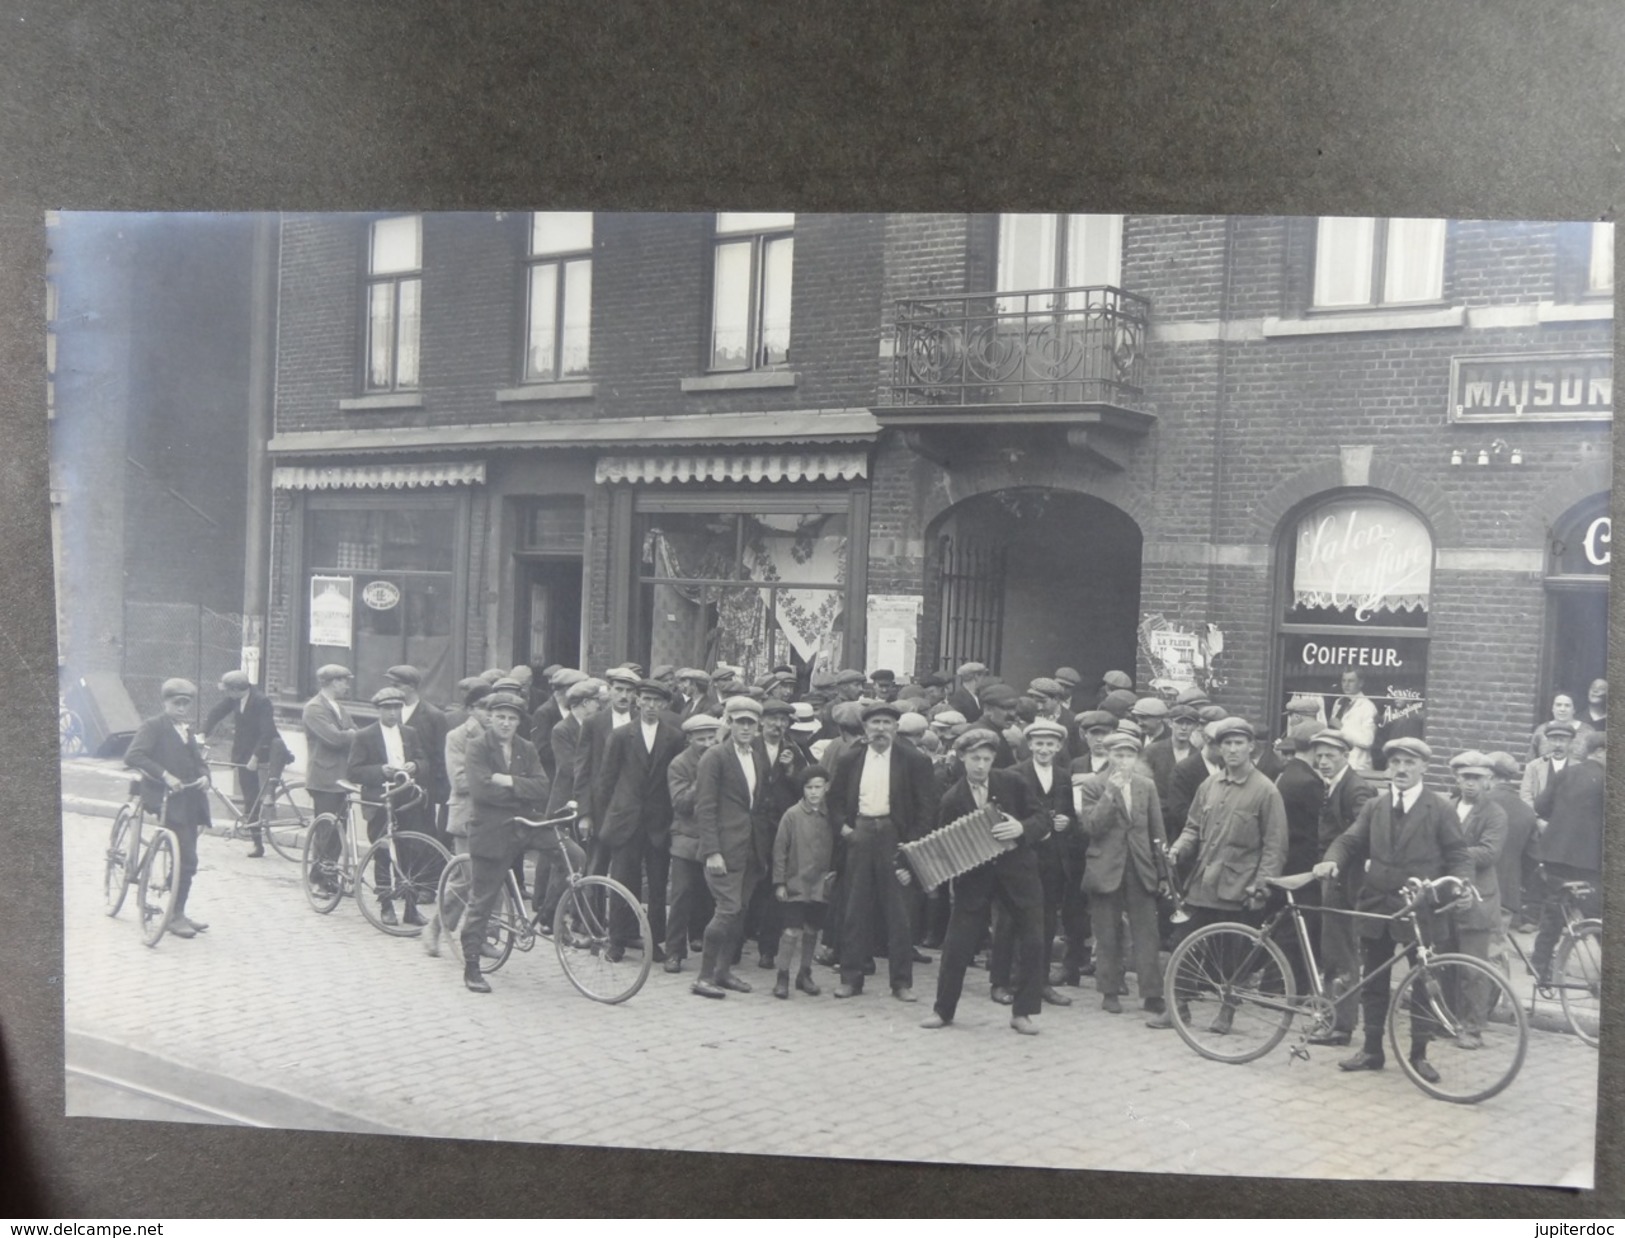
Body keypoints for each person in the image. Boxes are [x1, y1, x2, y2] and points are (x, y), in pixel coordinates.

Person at [1314, 737, 1471, 1081]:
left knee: (1424, 981)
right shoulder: (1376, 806)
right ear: (1388, 767)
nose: (1401, 769)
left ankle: (1419, 1055)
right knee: (1374, 978)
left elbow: (1459, 856)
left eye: (1409, 763)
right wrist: (1332, 861)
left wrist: (1460, 884)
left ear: (1424, 767)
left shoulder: (1440, 808)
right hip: (1378, 904)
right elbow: (1350, 839)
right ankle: (1372, 1050)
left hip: (1420, 908)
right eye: (1396, 762)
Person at [1149, 717, 1287, 1030]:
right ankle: (1178, 1007)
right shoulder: (1209, 785)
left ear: (1252, 747)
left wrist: (1261, 886)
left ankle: (1227, 1010)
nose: (1233, 749)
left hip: (1239, 888)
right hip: (1202, 883)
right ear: (1219, 748)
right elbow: (1193, 826)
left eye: (1239, 743)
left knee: (1231, 954)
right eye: (1227, 744)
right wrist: (1179, 849)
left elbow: (1275, 846)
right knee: (1182, 942)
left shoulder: (1265, 791)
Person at [919, 729, 1048, 1034]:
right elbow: (944, 844)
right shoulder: (952, 799)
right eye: (974, 758)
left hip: (1018, 873)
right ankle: (943, 1010)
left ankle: (1022, 1013)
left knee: (1033, 940)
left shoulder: (1012, 783)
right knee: (956, 945)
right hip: (974, 879)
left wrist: (1021, 828)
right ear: (962, 758)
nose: (980, 765)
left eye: (987, 759)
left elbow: (1041, 818)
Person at [828, 700, 936, 1001]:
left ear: (896, 728)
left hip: (895, 837)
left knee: (899, 912)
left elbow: (927, 807)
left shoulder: (913, 760)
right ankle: (851, 978)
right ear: (864, 728)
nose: (880, 729)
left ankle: (901, 983)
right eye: (875, 723)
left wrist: (912, 841)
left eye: (887, 724)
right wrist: (844, 830)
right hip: (860, 834)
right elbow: (834, 801)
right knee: (855, 909)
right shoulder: (851, 758)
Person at [460, 690, 552, 993]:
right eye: (500, 716)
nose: (505, 723)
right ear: (490, 718)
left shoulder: (526, 747)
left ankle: (551, 912)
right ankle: (472, 965)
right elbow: (482, 791)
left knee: (573, 855)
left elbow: (542, 787)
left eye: (512, 719)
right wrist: (519, 791)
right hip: (492, 829)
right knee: (483, 899)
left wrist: (508, 780)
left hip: (525, 823)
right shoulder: (477, 747)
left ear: (518, 723)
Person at [1077, 730, 1169, 1016]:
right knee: (1107, 933)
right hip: (1105, 867)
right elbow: (1092, 827)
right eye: (1118, 755)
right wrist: (1110, 794)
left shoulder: (1146, 786)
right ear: (1108, 756)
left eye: (1129, 755)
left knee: (1147, 934)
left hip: (1140, 866)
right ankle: (1109, 990)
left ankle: (1152, 993)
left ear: (1136, 758)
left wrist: (1164, 873)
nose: (1123, 761)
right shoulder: (1093, 786)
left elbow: (1157, 831)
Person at [593, 677, 684, 960]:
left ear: (664, 705)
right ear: (638, 701)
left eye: (658, 701)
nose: (651, 706)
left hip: (658, 822)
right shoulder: (621, 736)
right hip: (626, 821)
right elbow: (605, 781)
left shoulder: (673, 737)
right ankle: (617, 940)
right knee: (622, 881)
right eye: (646, 700)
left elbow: (675, 779)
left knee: (657, 887)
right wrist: (604, 820)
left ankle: (654, 942)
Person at [690, 698, 772, 998]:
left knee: (739, 912)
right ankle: (703, 976)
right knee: (727, 910)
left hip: (750, 850)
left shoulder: (757, 755)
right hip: (723, 849)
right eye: (740, 722)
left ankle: (722, 972)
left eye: (751, 722)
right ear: (729, 723)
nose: (746, 728)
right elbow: (705, 807)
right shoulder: (715, 757)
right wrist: (712, 851)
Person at [124, 678, 212, 938]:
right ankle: (174, 917)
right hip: (164, 797)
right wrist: (165, 775)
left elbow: (199, 761)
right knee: (188, 859)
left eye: (186, 704)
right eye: (177, 703)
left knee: (187, 859)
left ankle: (179, 911)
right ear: (165, 703)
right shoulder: (154, 726)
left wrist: (206, 775)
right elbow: (134, 756)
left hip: (189, 799)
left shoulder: (186, 729)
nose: (182, 708)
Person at [1304, 728, 1376, 1047]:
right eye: (1318, 756)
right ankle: (1337, 1020)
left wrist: (1338, 864)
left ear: (1345, 756)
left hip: (1345, 882)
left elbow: (1361, 835)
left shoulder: (1356, 789)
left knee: (1340, 953)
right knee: (1333, 952)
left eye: (1330, 756)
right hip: (1332, 878)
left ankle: (1341, 1026)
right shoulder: (1332, 786)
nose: (1322, 762)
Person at [346, 685, 429, 928]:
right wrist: (379, 771)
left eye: (396, 708)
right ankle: (386, 905)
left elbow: (425, 759)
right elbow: (352, 771)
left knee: (410, 851)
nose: (393, 713)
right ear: (378, 710)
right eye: (387, 709)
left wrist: (416, 765)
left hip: (406, 798)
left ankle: (411, 908)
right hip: (380, 798)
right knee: (383, 851)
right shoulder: (365, 736)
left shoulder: (410, 733)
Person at [1531, 729, 1606, 984]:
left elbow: (1541, 807)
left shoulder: (1565, 774)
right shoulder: (1611, 780)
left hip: (1554, 856)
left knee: (1553, 913)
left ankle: (1539, 966)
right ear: (1600, 751)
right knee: (1598, 917)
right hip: (1588, 862)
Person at [425, 681, 493, 958]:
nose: (491, 713)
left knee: (495, 878)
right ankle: (436, 927)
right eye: (484, 708)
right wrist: (499, 783)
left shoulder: (501, 736)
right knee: (467, 878)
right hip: (467, 814)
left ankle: (485, 935)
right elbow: (460, 780)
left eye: (494, 707)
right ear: (470, 709)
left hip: (495, 816)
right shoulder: (458, 737)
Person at [1447, 749, 1507, 1048]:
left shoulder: (1494, 814)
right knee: (1444, 961)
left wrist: (1449, 853)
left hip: (1477, 897)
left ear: (1488, 781)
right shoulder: (1447, 806)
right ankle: (1446, 1020)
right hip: (1446, 895)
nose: (1470, 783)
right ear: (1456, 779)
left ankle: (1472, 1027)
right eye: (1465, 777)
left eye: (1477, 778)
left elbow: (1488, 853)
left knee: (1472, 968)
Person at [200, 669, 287, 858]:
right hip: (242, 753)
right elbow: (216, 712)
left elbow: (267, 732)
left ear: (236, 689)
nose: (225, 694)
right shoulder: (234, 698)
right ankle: (257, 841)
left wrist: (255, 757)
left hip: (262, 753)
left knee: (257, 798)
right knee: (249, 796)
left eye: (227, 690)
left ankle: (258, 839)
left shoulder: (261, 701)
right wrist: (202, 732)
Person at [749, 698, 808, 969]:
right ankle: (737, 942)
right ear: (762, 721)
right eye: (773, 719)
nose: (778, 725)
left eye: (783, 721)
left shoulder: (794, 750)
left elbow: (805, 790)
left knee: (776, 886)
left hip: (779, 830)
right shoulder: (749, 745)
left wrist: (791, 770)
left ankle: (767, 949)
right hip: (751, 828)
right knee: (747, 884)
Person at [772, 764, 836, 999]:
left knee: (812, 930)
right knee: (791, 931)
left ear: (826, 788)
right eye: (809, 787)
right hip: (795, 883)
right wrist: (779, 882)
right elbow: (780, 851)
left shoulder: (830, 815)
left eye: (818, 787)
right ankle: (782, 976)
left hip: (820, 885)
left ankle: (805, 974)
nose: (813, 792)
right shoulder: (792, 815)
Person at [664, 712, 722, 972]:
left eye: (712, 737)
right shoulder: (679, 765)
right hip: (686, 838)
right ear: (689, 739)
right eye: (702, 739)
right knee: (681, 896)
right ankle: (674, 951)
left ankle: (711, 947)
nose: (708, 743)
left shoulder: (723, 759)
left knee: (712, 896)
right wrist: (702, 778)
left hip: (715, 837)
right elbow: (681, 804)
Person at [387, 665, 451, 846]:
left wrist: (437, 792)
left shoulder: (434, 716)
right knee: (393, 838)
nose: (392, 690)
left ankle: (423, 875)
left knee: (421, 839)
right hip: (394, 788)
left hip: (422, 791)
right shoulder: (391, 713)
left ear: (411, 687)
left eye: (396, 686)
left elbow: (441, 756)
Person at [1485, 750, 1540, 939]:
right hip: (1507, 893)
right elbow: (1533, 857)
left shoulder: (1479, 803)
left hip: (1475, 890)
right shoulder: (1527, 811)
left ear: (1490, 775)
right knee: (1496, 950)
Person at [302, 664, 360, 823]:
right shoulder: (314, 708)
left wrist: (350, 733)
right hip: (325, 780)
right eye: (344, 682)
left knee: (339, 831)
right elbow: (334, 739)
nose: (347, 686)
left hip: (340, 778)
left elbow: (355, 732)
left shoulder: (339, 707)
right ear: (334, 682)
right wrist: (350, 734)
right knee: (326, 834)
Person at [1521, 719, 1577, 813]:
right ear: (1547, 741)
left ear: (1570, 743)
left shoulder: (1579, 767)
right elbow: (1525, 796)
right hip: (1540, 820)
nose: (1557, 745)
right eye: (1553, 740)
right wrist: (1537, 819)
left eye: (1562, 740)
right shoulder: (1533, 766)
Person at [1328, 670, 1379, 771]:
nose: (1346, 685)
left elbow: (1367, 740)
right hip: (1338, 763)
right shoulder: (1339, 702)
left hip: (1357, 765)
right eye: (1343, 681)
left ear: (1360, 683)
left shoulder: (1368, 706)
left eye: (1351, 681)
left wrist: (1342, 728)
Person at [1529, 692, 1593, 762]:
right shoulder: (1541, 731)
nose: (1562, 709)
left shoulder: (1588, 732)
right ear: (1552, 708)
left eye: (1567, 705)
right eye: (1558, 705)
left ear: (1574, 709)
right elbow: (1531, 761)